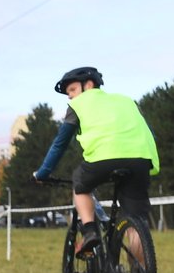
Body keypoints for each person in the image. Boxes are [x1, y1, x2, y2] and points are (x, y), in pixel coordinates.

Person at [33, 67, 159, 256]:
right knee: (136, 223)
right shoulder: (127, 101)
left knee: (79, 183)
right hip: (140, 159)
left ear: (89, 85)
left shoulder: (79, 105)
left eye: (73, 90)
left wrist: (43, 172)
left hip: (103, 160)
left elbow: (60, 144)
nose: (70, 97)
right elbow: (149, 133)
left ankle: (90, 231)